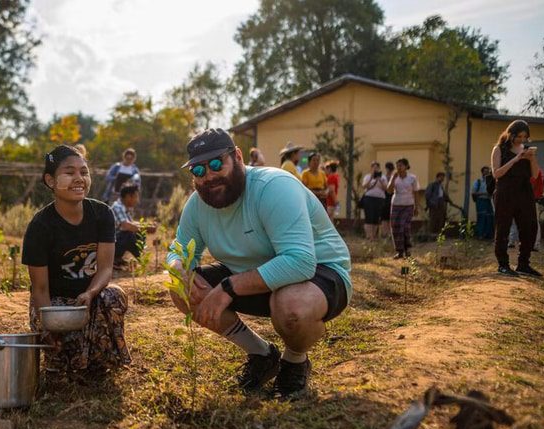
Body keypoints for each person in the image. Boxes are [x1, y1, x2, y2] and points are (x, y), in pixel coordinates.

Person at [167, 128, 351, 400]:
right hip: (253, 279)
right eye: (198, 170)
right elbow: (178, 250)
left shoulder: (274, 187)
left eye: (217, 164)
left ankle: (295, 361)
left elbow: (300, 263)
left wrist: (228, 288)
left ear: (238, 157)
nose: (209, 175)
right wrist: (178, 268)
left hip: (318, 276)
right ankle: (262, 354)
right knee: (181, 288)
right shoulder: (197, 204)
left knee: (290, 306)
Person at [22, 145, 131, 375]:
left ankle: (99, 358)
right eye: (70, 172)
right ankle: (62, 355)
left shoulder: (102, 214)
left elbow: (104, 270)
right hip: (55, 306)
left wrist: (90, 294)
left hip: (88, 301)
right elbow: (40, 289)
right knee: (64, 368)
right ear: (50, 180)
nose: (79, 178)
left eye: (84, 172)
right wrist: (49, 325)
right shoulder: (40, 226)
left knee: (114, 295)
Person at [491, 120, 542, 277]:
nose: (521, 139)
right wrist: (516, 159)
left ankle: (523, 264)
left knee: (530, 226)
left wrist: (531, 158)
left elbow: (534, 175)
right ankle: (503, 264)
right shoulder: (499, 149)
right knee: (503, 228)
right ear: (510, 134)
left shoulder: (525, 150)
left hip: (524, 192)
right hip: (505, 192)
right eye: (519, 136)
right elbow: (496, 174)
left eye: (525, 136)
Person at [111, 184, 156, 269]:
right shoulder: (118, 207)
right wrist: (146, 228)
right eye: (136, 197)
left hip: (115, 242)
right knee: (128, 234)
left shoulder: (124, 207)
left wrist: (147, 225)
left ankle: (117, 259)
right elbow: (127, 226)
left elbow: (132, 223)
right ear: (128, 197)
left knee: (136, 233)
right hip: (109, 245)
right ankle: (141, 259)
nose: (137, 200)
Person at [387, 158, 419, 259]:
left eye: (401, 165)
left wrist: (416, 206)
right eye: (397, 166)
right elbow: (388, 190)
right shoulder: (394, 177)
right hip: (396, 204)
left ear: (406, 166)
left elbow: (416, 192)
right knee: (395, 227)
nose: (399, 168)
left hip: (408, 205)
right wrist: (393, 179)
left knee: (404, 226)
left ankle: (407, 249)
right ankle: (399, 251)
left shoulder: (412, 178)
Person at [360, 162, 387, 240]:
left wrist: (380, 180)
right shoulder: (367, 176)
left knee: (376, 217)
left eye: (377, 167)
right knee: (369, 217)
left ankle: (374, 236)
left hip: (379, 199)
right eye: (373, 167)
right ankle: (369, 236)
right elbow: (364, 186)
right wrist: (372, 178)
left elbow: (386, 188)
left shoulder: (383, 177)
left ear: (379, 168)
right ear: (371, 168)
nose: (375, 169)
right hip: (369, 198)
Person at [472, 166, 495, 239]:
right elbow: (474, 192)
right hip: (481, 201)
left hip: (488, 201)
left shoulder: (490, 181)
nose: (486, 173)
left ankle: (488, 235)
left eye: (487, 171)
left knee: (490, 217)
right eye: (485, 171)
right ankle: (480, 235)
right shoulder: (478, 182)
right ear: (482, 172)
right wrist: (484, 194)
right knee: (481, 217)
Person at [425, 172, 450, 238]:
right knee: (433, 219)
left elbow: (443, 195)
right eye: (441, 177)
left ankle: (439, 234)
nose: (442, 179)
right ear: (438, 177)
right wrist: (430, 203)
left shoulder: (440, 186)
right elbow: (427, 195)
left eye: (443, 177)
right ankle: (431, 234)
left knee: (441, 219)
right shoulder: (432, 185)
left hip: (441, 204)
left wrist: (449, 200)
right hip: (434, 204)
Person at [380, 162, 395, 238]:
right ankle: (384, 233)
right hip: (385, 197)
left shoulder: (394, 177)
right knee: (384, 216)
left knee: (390, 216)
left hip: (392, 197)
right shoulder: (383, 177)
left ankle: (389, 234)